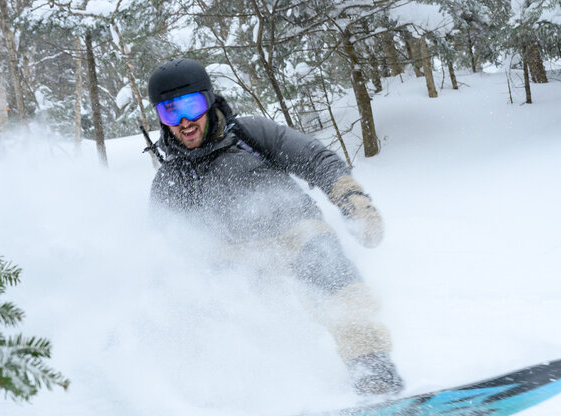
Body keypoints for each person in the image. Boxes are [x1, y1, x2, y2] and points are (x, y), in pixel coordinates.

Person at [146, 58, 405, 396]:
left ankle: (371, 367)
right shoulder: (170, 181)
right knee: (228, 312)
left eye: (191, 106)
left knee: (329, 269)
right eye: (170, 112)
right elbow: (166, 251)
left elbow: (313, 157)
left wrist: (350, 197)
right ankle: (256, 395)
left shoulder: (247, 134)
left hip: (296, 233)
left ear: (209, 101)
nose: (184, 122)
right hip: (236, 259)